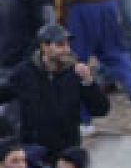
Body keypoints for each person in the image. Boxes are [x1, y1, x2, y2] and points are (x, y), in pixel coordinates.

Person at [0, 25, 109, 156]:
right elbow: (3, 93)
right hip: (33, 152)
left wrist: (89, 82)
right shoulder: (25, 72)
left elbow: (101, 110)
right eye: (60, 45)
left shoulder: (76, 73)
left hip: (66, 152)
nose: (67, 49)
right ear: (44, 47)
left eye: (68, 45)